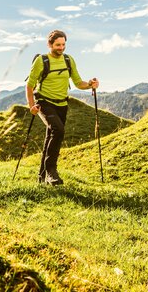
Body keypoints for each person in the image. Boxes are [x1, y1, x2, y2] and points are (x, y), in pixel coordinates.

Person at [25, 30, 99, 186]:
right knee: (58, 130)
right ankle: (52, 171)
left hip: (62, 104)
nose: (61, 47)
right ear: (49, 44)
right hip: (44, 102)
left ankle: (42, 176)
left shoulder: (68, 60)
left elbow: (78, 82)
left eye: (63, 44)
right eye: (58, 45)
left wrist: (90, 84)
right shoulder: (41, 61)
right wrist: (31, 105)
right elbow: (30, 86)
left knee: (50, 137)